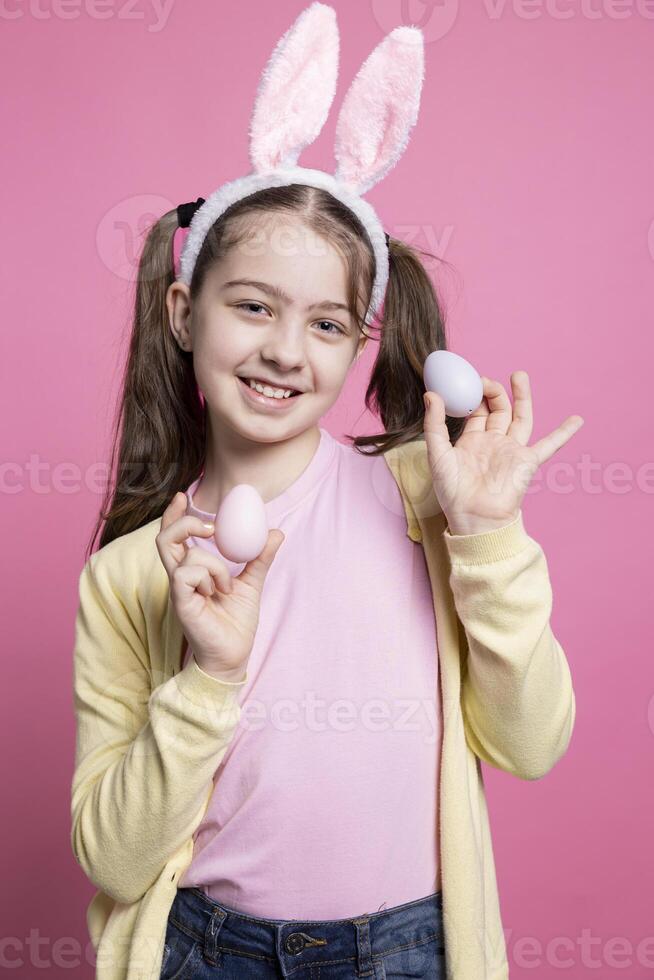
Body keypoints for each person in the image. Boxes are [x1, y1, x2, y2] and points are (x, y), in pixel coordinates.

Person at [70, 5, 581, 979]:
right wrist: (209, 676)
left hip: (410, 946)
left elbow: (531, 743)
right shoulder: (130, 577)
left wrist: (488, 537)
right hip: (204, 951)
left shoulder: (427, 502)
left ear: (359, 340)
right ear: (185, 312)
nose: (280, 349)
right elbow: (112, 853)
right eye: (252, 304)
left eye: (324, 322)